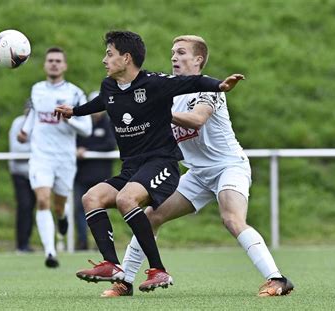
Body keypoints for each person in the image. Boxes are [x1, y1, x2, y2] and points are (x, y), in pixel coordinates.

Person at [101, 35, 293, 297]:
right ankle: (125, 282)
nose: (174, 57)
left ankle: (277, 279)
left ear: (198, 60)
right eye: (172, 53)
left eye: (181, 53)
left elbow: (197, 120)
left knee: (232, 218)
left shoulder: (208, 89)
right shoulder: (169, 93)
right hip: (198, 174)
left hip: (228, 166)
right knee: (151, 216)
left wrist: (157, 112)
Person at [54, 30, 244, 291]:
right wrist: (75, 111)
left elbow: (191, 83)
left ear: (126, 58)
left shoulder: (154, 83)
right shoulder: (109, 86)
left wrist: (220, 85)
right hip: (132, 167)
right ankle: (111, 264)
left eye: (109, 54)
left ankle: (159, 270)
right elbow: (105, 101)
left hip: (162, 163)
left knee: (125, 200)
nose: (103, 60)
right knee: (91, 198)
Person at [18, 47, 92, 267]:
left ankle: (61, 218)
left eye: (58, 61)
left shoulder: (75, 93)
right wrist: (25, 130)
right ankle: (50, 252)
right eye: (50, 60)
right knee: (42, 200)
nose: (54, 64)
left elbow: (86, 129)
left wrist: (70, 119)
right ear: (45, 65)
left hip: (65, 157)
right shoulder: (37, 89)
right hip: (41, 156)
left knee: (59, 206)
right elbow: (34, 114)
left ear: (65, 66)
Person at [74, 90, 116, 250]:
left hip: (101, 175)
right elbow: (74, 142)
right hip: (82, 175)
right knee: (79, 209)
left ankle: (103, 243)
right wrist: (79, 149)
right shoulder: (82, 124)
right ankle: (82, 242)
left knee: (101, 209)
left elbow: (110, 144)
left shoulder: (110, 123)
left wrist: (87, 149)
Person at [9, 100, 36, 253]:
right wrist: (37, 149)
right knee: (24, 207)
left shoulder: (41, 125)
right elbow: (17, 148)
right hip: (20, 172)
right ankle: (21, 243)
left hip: (37, 173)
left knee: (37, 207)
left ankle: (29, 241)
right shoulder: (18, 123)